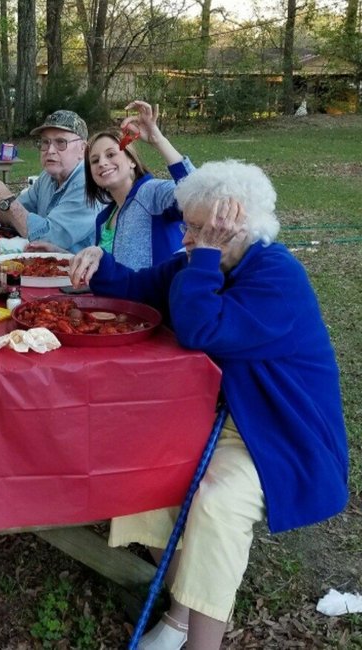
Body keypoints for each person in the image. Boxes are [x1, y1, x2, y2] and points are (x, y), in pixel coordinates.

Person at [69, 160, 348, 650]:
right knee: (139, 468)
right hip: (216, 415)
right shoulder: (205, 259)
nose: (188, 238)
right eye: (188, 225)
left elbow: (201, 328)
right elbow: (142, 290)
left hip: (275, 433)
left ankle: (202, 641)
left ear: (237, 226)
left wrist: (205, 255)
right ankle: (180, 612)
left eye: (200, 228)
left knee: (218, 502)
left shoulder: (277, 276)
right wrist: (100, 262)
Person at [0, 109, 102, 252]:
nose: (50, 150)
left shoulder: (88, 185)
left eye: (60, 142)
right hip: (47, 266)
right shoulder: (47, 177)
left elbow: (48, 239)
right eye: (45, 142)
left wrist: (4, 196)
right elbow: (12, 220)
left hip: (78, 271)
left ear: (83, 149)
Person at [82, 100, 192, 269]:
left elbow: (198, 193)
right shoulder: (103, 219)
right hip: (117, 296)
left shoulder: (153, 194)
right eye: (95, 160)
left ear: (132, 161)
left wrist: (157, 139)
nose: (102, 163)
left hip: (160, 295)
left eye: (111, 155)